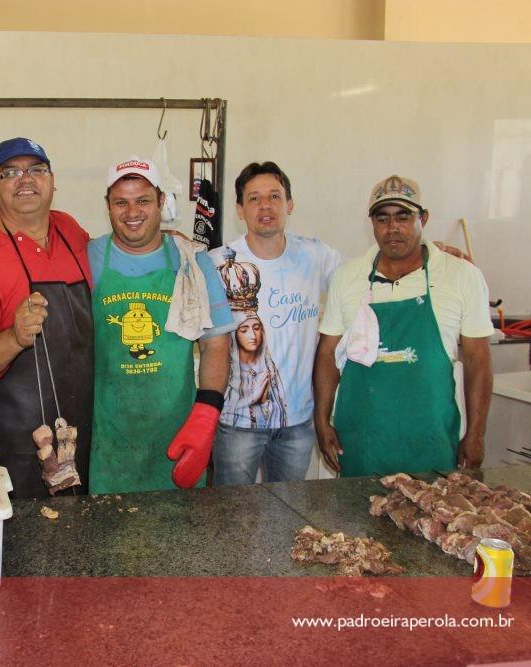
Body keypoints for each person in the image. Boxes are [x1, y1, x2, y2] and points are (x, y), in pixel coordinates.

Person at [314, 175, 493, 476]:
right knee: (354, 519)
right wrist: (321, 420)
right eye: (382, 218)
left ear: (423, 218)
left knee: (432, 521)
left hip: (430, 441)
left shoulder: (461, 276)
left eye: (403, 217)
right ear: (371, 223)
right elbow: (327, 354)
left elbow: (479, 359)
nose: (392, 228)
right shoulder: (348, 277)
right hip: (360, 441)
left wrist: (476, 433)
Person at [0, 138, 93, 498]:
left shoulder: (70, 231)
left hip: (80, 439)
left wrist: (164, 239)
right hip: (14, 451)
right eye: (10, 172)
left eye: (36, 169)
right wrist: (13, 338)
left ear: (52, 181)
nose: (25, 179)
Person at [88, 157, 233, 494]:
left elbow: (216, 343)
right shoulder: (89, 256)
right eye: (120, 202)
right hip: (108, 437)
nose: (131, 212)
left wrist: (205, 416)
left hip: (176, 431)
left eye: (143, 201)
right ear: (107, 206)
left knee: (178, 538)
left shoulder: (192, 261)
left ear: (162, 202)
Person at [208, 162, 342, 485]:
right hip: (236, 422)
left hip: (297, 421)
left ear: (290, 204)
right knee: (233, 518)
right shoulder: (217, 263)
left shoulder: (316, 256)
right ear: (240, 209)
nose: (265, 206)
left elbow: (360, 281)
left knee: (286, 516)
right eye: (253, 199)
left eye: (274, 196)